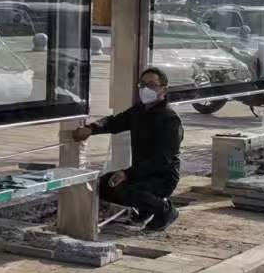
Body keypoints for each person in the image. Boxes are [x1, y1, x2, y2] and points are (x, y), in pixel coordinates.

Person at [73, 66, 183, 231]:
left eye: (152, 85)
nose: (145, 89)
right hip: (139, 173)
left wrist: (127, 173)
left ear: (163, 90)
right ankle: (145, 209)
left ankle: (165, 210)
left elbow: (162, 161)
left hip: (162, 177)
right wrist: (91, 129)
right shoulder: (139, 111)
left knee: (130, 191)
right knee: (102, 185)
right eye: (142, 84)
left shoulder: (170, 119)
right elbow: (115, 121)